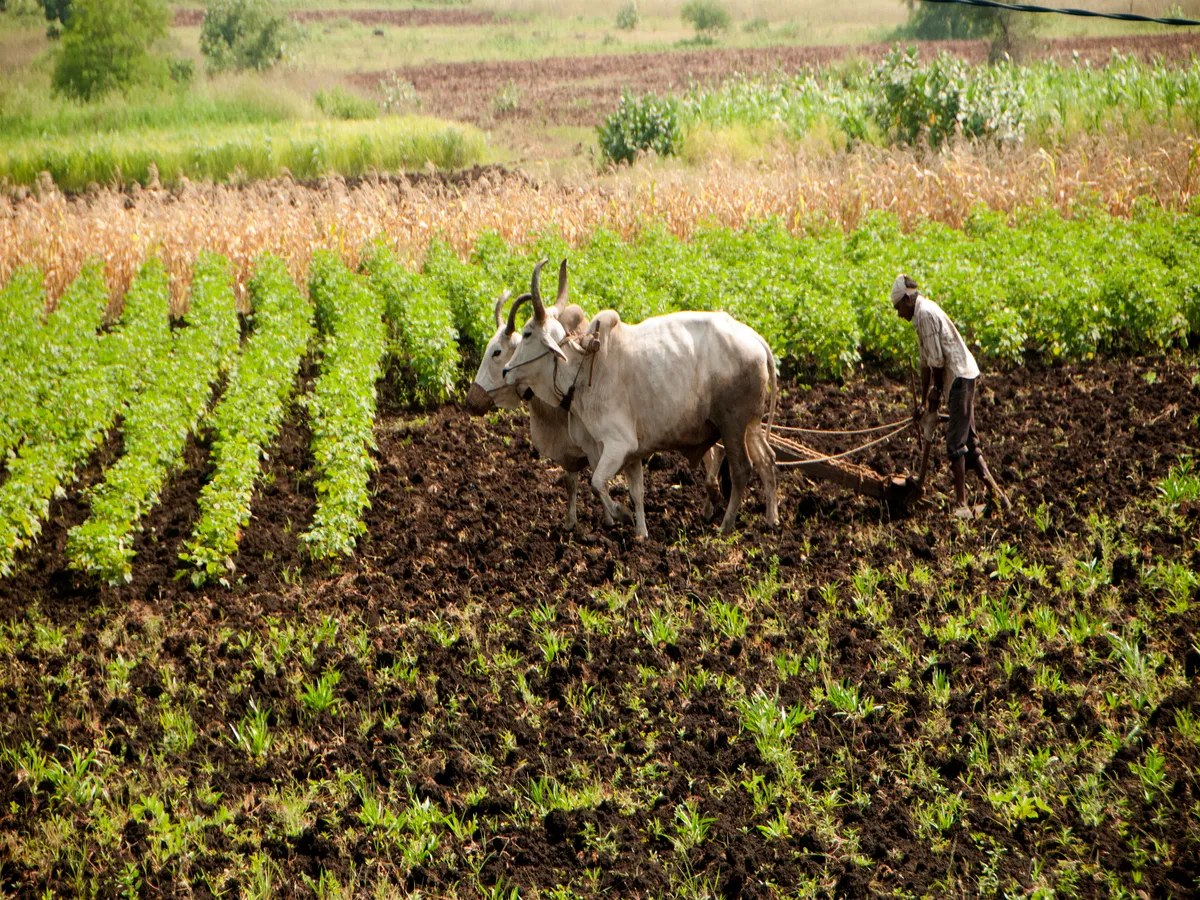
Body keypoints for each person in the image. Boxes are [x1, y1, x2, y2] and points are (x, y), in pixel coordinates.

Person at [890, 274, 1010, 518]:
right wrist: (923, 402)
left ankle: (961, 505)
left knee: (956, 444)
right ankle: (999, 497)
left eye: (898, 307)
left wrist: (935, 390)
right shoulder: (921, 315)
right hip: (960, 377)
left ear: (906, 299)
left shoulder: (924, 313)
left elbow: (937, 360)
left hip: (959, 378)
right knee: (969, 443)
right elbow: (925, 364)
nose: (898, 314)